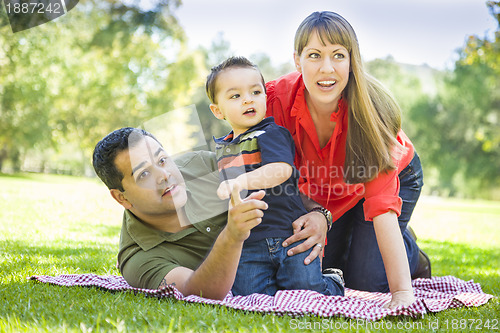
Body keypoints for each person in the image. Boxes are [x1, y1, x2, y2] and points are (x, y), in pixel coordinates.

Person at [265, 11, 430, 308]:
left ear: (352, 60)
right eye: (314, 55)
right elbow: (263, 170)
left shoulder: (370, 116)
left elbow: (381, 206)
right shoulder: (275, 101)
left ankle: (409, 249)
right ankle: (359, 239)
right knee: (326, 262)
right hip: (330, 194)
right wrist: (320, 215)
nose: (326, 68)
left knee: (366, 282)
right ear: (297, 60)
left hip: (393, 179)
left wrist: (403, 295)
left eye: (338, 55)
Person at [205, 56, 344, 296]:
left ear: (265, 97)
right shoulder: (222, 150)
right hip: (249, 242)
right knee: (249, 295)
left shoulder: (270, 133)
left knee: (306, 291)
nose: (248, 99)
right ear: (218, 110)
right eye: (235, 96)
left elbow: (281, 170)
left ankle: (332, 282)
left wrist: (240, 181)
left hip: (289, 233)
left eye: (255, 92)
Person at [92, 127, 269, 299]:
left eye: (162, 160)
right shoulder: (138, 259)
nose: (164, 175)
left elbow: (276, 180)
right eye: (144, 174)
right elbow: (198, 292)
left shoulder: (202, 165)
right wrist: (231, 236)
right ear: (121, 198)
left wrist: (298, 213)